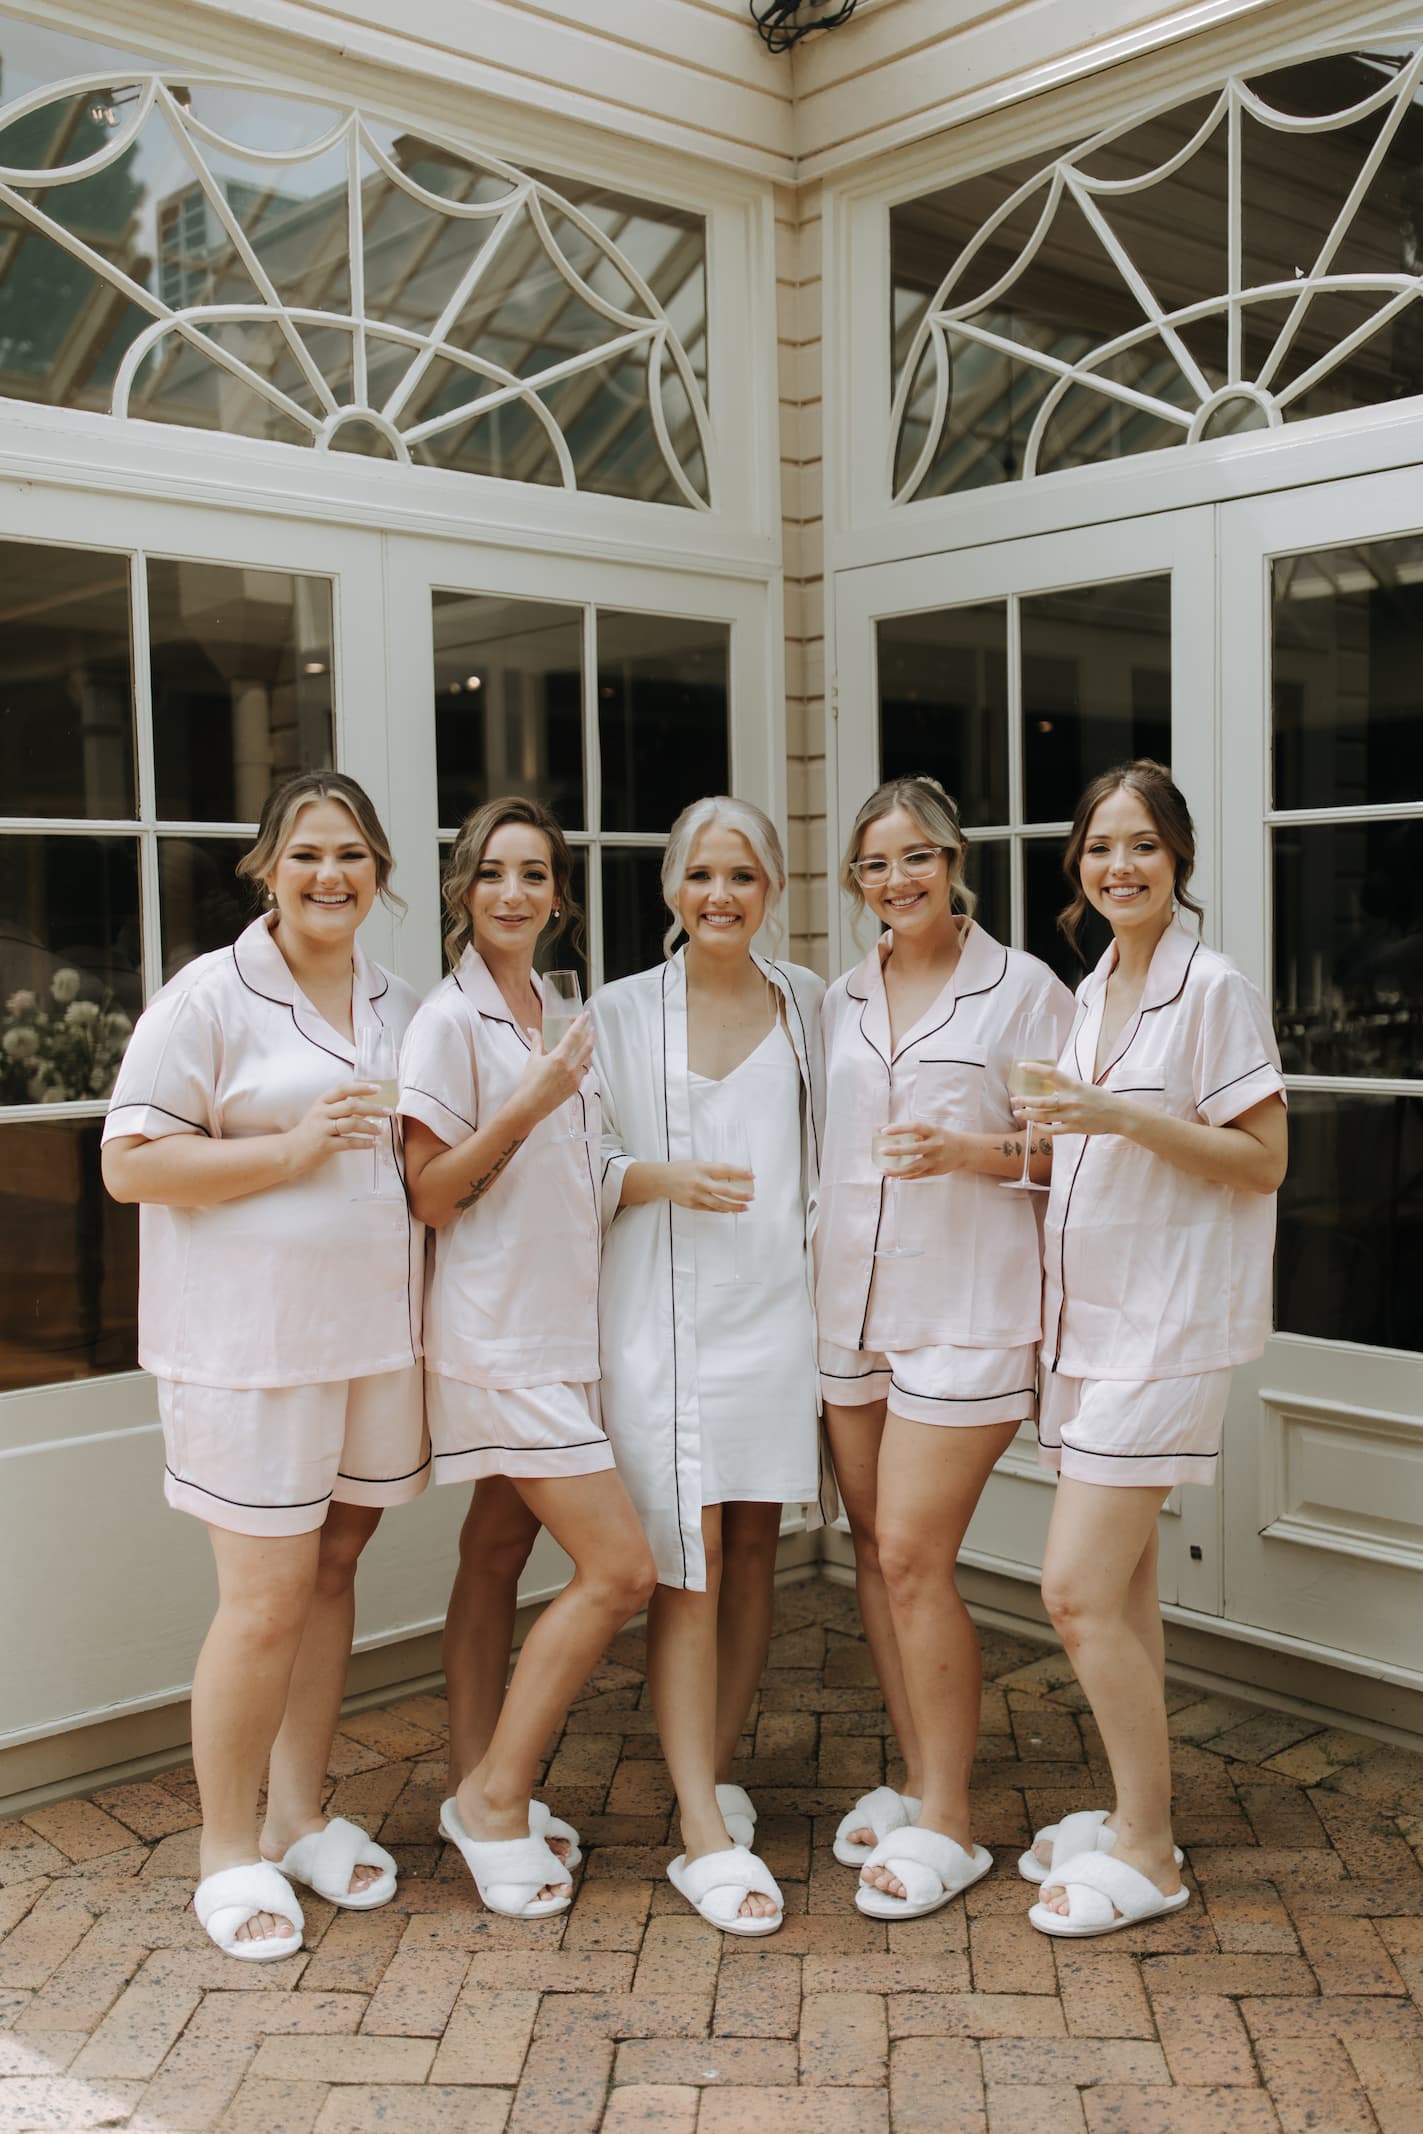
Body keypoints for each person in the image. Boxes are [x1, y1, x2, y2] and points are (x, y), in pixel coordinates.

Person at [102, 772, 428, 1962]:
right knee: (264, 1600)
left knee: (334, 1567)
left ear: (380, 871)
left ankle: (299, 1815)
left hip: (372, 1342)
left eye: (350, 854)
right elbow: (131, 1166)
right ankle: (225, 1850)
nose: (329, 874)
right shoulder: (210, 997)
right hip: (251, 1352)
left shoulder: (402, 1002)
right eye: (305, 855)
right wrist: (289, 1150)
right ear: (267, 871)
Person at [1016, 759, 1286, 1938]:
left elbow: (1262, 1158)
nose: (1117, 866)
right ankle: (1138, 1807)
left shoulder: (1211, 987)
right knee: (1121, 1591)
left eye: (1140, 846)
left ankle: (1150, 1851)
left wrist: (1119, 1112)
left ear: (1176, 858)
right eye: (1098, 847)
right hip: (1088, 1321)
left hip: (1165, 1326)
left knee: (1070, 1593)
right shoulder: (1090, 989)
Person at [817, 775, 1074, 1920]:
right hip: (850, 1305)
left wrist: (972, 1153)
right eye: (875, 865)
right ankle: (918, 1774)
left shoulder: (1021, 989)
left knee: (916, 1554)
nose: (897, 880)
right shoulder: (839, 996)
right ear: (854, 883)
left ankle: (951, 1819)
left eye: (915, 856)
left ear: (954, 858)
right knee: (876, 1549)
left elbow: (1073, 1155)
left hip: (967, 1311)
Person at [400, 796, 656, 1920]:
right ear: (464, 889)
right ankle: (497, 1798)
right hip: (498, 1337)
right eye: (494, 873)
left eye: (535, 873)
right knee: (619, 1571)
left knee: (496, 1549)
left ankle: (472, 1781)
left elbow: (580, 1172)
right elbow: (432, 1192)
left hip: (568, 1326)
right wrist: (529, 1100)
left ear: (560, 894)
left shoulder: (557, 1005)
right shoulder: (446, 1024)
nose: (514, 892)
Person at [592, 796, 833, 1936]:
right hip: (667, 1321)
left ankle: (717, 1764)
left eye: (741, 875)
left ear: (773, 887)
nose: (719, 896)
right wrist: (657, 1176)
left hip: (775, 1316)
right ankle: (697, 1824)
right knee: (682, 1558)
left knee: (750, 1548)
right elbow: (575, 1160)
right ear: (669, 888)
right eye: (699, 875)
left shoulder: (810, 1007)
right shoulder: (623, 1012)